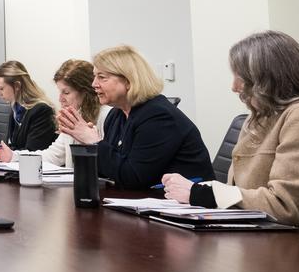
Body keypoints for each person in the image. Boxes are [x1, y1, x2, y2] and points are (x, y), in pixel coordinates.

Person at [161, 31, 299, 240]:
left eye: (241, 77)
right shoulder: (261, 117)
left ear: (267, 78)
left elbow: (286, 206)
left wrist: (202, 193)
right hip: (280, 240)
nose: (234, 87)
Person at [59, 45, 213, 190]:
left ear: (128, 81)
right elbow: (109, 171)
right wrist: (86, 143)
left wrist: (94, 142)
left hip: (183, 203)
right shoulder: (116, 115)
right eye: (94, 77)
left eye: (102, 77)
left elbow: (134, 177)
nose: (94, 84)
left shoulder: (158, 116)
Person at [0, 58, 104, 166]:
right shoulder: (76, 116)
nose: (60, 99)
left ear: (85, 92)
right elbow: (53, 156)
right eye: (60, 92)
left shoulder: (104, 117)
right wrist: (13, 156)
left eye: (66, 93)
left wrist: (91, 140)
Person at [0, 60, 56, 151]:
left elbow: (32, 152)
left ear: (17, 86)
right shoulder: (16, 107)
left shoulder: (41, 110)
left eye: (1, 88)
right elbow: (16, 146)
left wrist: (5, 152)